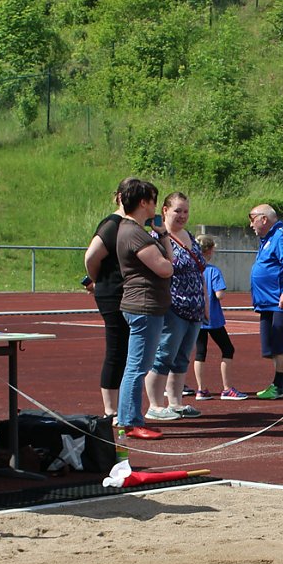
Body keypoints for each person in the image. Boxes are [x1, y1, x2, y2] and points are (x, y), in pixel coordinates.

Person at [116, 179, 173, 440]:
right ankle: (130, 421)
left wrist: (162, 234)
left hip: (146, 305)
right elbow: (165, 267)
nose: (155, 206)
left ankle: (130, 419)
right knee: (137, 366)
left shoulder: (135, 231)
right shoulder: (133, 233)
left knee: (138, 365)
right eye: (153, 200)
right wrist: (166, 259)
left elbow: (169, 262)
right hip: (144, 305)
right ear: (143, 202)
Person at [143, 192, 206, 420]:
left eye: (186, 211)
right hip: (172, 306)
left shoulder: (189, 236)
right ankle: (155, 405)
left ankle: (176, 403)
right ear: (165, 211)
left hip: (194, 307)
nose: (182, 215)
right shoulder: (156, 238)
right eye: (177, 210)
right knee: (164, 355)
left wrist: (205, 303)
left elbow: (199, 271)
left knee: (182, 358)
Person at [83, 178, 132, 423]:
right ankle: (110, 410)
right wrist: (99, 281)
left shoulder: (131, 224)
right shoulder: (112, 224)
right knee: (116, 349)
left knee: (127, 351)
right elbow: (91, 256)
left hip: (126, 293)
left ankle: (121, 406)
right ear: (121, 197)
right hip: (113, 293)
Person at [248, 204, 283, 399]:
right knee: (271, 345)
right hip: (267, 301)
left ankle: (279, 384)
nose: (250, 224)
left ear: (264, 219)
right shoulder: (268, 239)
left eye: (252, 218)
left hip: (280, 302)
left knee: (281, 342)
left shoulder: (282, 236)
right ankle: (280, 383)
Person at [192, 234, 247, 401]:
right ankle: (227, 388)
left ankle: (201, 389)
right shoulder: (213, 271)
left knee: (200, 352)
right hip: (213, 319)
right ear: (209, 251)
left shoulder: (191, 271)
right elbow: (220, 294)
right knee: (227, 349)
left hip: (196, 317)